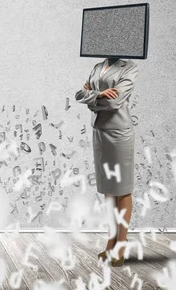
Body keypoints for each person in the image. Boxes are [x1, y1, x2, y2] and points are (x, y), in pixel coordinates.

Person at [75, 57, 139, 267]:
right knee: (108, 190)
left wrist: (92, 97)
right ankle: (111, 240)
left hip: (119, 133)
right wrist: (99, 94)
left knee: (123, 188)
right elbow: (78, 94)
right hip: (99, 132)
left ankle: (121, 243)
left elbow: (114, 102)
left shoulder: (129, 67)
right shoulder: (97, 67)